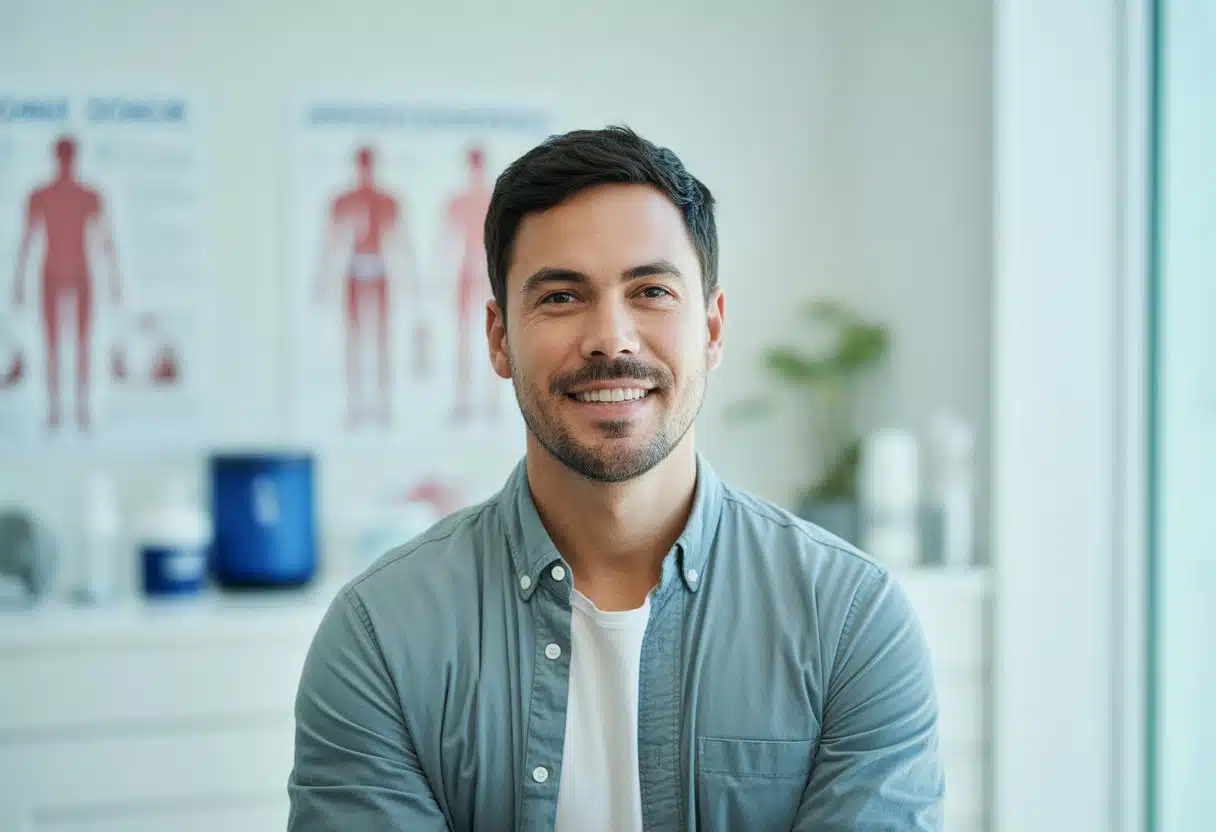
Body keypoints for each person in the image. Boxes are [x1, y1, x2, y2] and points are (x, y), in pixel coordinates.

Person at [288, 126, 945, 831]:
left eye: (652, 290)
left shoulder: (849, 622)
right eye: (562, 297)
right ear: (498, 337)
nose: (612, 337)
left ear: (713, 330)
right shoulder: (381, 636)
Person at [12, 136, 121, 431]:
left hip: (81, 272)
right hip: (51, 272)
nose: (66, 161)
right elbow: (27, 240)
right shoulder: (40, 194)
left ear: (73, 158)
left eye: (68, 156)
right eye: (64, 156)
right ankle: (55, 411)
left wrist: (114, 280)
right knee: (52, 345)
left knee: (82, 343)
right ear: (58, 158)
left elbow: (105, 240)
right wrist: (18, 282)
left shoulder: (89, 195)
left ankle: (82, 410)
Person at [316, 146, 409, 427]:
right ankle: (356, 406)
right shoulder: (343, 200)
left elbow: (400, 243)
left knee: (380, 339)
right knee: (355, 340)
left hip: (377, 269)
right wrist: (323, 278)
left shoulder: (387, 200)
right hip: (355, 269)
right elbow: (332, 242)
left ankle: (382, 405)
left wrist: (408, 279)